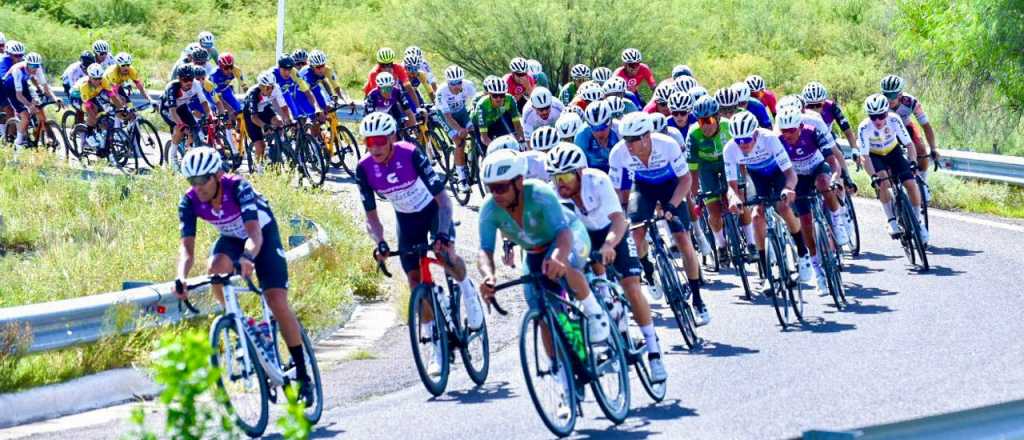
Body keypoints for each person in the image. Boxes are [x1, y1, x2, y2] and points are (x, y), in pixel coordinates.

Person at [174, 147, 314, 404]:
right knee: (215, 270)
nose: (198, 187)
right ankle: (244, 324)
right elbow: (186, 248)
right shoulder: (189, 201)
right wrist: (181, 277)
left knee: (276, 300)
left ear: (217, 175)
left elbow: (254, 234)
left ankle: (303, 374)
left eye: (202, 180)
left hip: (262, 234)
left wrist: (248, 258)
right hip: (231, 238)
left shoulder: (239, 188)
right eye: (191, 181)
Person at [477, 148, 608, 419]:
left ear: (518, 182)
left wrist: (559, 257)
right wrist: (489, 276)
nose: (497, 195)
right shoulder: (490, 209)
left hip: (568, 236)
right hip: (535, 254)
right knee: (543, 314)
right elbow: (484, 252)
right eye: (491, 189)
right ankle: (563, 378)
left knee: (568, 266)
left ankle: (595, 313)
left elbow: (562, 233)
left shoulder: (540, 194)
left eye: (501, 187)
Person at [357, 112, 483, 376]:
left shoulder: (410, 154)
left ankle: (468, 292)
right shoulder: (364, 168)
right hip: (407, 219)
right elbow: (371, 216)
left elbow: (444, 201)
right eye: (369, 142)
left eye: (380, 140)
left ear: (392, 137)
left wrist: (443, 234)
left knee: (446, 256)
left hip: (433, 210)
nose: (375, 147)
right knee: (415, 280)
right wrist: (380, 242)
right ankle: (434, 347)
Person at [546, 142, 667, 382]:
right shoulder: (556, 195)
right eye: (556, 176)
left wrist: (610, 245)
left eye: (566, 176)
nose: (561, 183)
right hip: (585, 236)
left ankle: (654, 352)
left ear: (580, 173)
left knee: (632, 286)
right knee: (588, 281)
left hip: (613, 232)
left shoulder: (598, 181)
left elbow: (619, 221)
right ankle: (608, 318)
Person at [609, 112, 708, 324]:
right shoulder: (618, 154)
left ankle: (698, 301)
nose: (628, 145)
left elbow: (685, 179)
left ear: (646, 137)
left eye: (632, 139)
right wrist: (620, 217)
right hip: (643, 189)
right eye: (625, 139)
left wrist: (671, 205)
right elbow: (615, 191)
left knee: (683, 240)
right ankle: (648, 269)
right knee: (635, 233)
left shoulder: (667, 145)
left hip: (671, 186)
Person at [723, 112, 813, 285]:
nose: (743, 145)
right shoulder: (730, 149)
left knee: (783, 207)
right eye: (738, 141)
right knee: (756, 216)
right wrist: (734, 198)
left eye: (747, 140)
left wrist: (788, 188)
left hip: (778, 171)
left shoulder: (769, 139)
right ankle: (765, 271)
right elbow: (731, 187)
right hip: (757, 175)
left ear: (755, 134)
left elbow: (790, 174)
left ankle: (802, 252)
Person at [775, 107, 846, 292]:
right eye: (784, 131)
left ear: (800, 126)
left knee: (824, 183)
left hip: (817, 168)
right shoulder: (778, 141)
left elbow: (832, 160)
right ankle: (817, 272)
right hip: (798, 178)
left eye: (792, 130)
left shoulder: (812, 132)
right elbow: (778, 172)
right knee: (805, 223)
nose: (788, 134)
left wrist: (836, 177)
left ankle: (838, 224)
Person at [858, 94, 928, 243]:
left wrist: (913, 162)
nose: (877, 120)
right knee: (883, 180)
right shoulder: (864, 127)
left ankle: (918, 222)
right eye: (873, 116)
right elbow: (864, 157)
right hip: (875, 156)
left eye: (881, 116)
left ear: (886, 112)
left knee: (911, 183)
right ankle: (891, 220)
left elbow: (909, 145)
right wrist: (873, 176)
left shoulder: (894, 119)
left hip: (893, 151)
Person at [687, 96, 750, 260]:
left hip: (727, 162)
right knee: (713, 211)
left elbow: (741, 156)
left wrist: (744, 179)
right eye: (701, 121)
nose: (705, 125)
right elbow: (693, 169)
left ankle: (751, 242)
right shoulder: (693, 135)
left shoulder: (728, 127)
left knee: (740, 201)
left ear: (717, 117)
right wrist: (694, 194)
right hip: (706, 168)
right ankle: (721, 245)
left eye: (708, 120)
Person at [881, 74, 937, 199]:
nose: (889, 100)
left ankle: (923, 185)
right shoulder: (880, 104)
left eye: (893, 95)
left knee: (921, 149)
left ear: (900, 94)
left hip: (906, 127)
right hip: (887, 131)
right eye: (886, 95)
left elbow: (926, 126)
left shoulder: (911, 102)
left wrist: (933, 148)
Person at [801, 81, 858, 201]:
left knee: (837, 156)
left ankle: (845, 182)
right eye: (811, 106)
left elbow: (847, 130)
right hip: (810, 140)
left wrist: (854, 148)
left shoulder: (832, 106)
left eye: (819, 105)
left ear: (824, 102)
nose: (816, 109)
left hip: (827, 137)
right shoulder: (801, 112)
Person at [1, 52, 62, 147]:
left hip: (23, 84)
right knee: (25, 115)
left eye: (36, 65)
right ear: (26, 64)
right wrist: (29, 105)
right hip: (9, 87)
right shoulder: (18, 70)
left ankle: (44, 135)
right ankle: (19, 141)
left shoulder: (38, 69)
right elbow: (19, 96)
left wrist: (55, 98)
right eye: (31, 65)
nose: (34, 68)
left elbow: (46, 87)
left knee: (38, 106)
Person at [436, 65, 477, 193]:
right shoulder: (441, 92)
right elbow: (448, 116)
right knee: (459, 142)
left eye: (459, 82)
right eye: (453, 83)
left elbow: (476, 103)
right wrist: (459, 129)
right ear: (448, 82)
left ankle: (472, 158)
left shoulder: (468, 86)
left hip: (462, 112)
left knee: (476, 133)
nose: (456, 86)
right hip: (445, 116)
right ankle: (462, 178)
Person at [160, 65, 214, 161]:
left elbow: (204, 102)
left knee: (195, 129)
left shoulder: (196, 84)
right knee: (180, 129)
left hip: (182, 107)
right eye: (185, 80)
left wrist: (209, 115)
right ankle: (173, 159)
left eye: (191, 79)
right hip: (168, 109)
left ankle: (188, 148)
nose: (189, 82)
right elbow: (173, 111)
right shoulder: (172, 88)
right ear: (179, 79)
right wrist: (182, 125)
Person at [241, 71, 293, 164]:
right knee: (260, 145)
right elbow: (254, 117)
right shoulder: (253, 94)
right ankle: (259, 169)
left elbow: (282, 107)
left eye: (272, 87)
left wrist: (287, 119)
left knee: (279, 122)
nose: (271, 90)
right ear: (261, 87)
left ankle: (280, 143)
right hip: (251, 114)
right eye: (268, 88)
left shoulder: (275, 88)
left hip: (264, 108)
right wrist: (264, 126)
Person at [75, 63, 124, 149]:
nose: (97, 81)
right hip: (77, 96)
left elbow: (112, 96)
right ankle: (88, 135)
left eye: (99, 78)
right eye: (95, 79)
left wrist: (121, 108)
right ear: (90, 77)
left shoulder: (104, 81)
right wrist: (95, 119)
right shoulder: (85, 85)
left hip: (92, 96)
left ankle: (101, 140)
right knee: (93, 110)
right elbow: (88, 106)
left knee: (103, 114)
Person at [471, 75, 525, 147]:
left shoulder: (510, 100)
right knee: (487, 153)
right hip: (480, 125)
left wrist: (522, 141)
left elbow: (517, 126)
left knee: (508, 141)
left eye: (502, 95)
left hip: (495, 120)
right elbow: (484, 138)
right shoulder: (482, 105)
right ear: (489, 94)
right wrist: (496, 147)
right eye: (495, 95)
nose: (498, 99)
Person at [574, 100, 619, 173]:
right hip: (592, 171)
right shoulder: (582, 135)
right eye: (594, 128)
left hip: (617, 168)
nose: (599, 133)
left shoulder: (619, 131)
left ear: (610, 123)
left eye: (603, 127)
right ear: (589, 126)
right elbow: (578, 166)